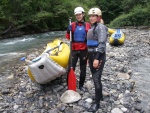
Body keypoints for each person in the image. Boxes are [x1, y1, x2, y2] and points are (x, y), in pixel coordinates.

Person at [86, 7, 108, 112]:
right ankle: (100, 95)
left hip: (98, 56)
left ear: (98, 17)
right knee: (96, 78)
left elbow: (102, 44)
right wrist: (88, 57)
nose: (91, 18)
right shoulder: (92, 28)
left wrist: (96, 59)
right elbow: (89, 44)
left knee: (96, 79)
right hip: (91, 55)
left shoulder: (100, 27)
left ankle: (97, 103)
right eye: (90, 16)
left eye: (93, 16)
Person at [66, 7, 91, 91]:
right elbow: (68, 37)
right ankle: (69, 84)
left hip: (84, 50)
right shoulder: (72, 25)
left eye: (79, 14)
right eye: (76, 15)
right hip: (74, 50)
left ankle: (81, 85)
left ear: (83, 14)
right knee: (71, 67)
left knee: (83, 69)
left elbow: (90, 37)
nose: (78, 16)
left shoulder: (87, 25)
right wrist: (67, 31)